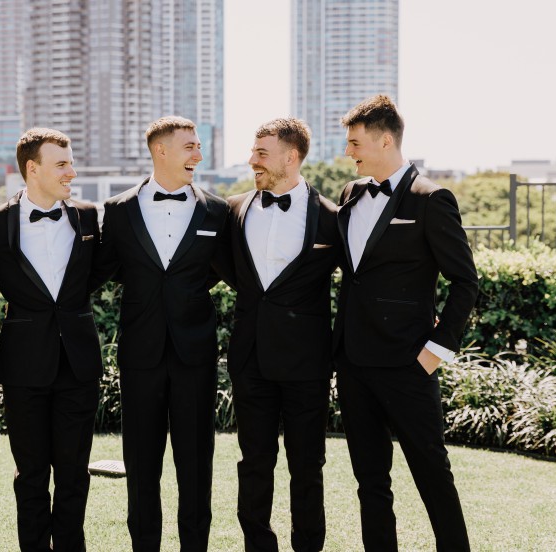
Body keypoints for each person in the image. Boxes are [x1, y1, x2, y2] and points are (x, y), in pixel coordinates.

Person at [333, 95, 478, 551]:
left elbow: (465, 283)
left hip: (408, 365)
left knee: (432, 473)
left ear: (385, 139)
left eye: (355, 143)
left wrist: (435, 351)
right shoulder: (349, 195)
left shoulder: (432, 199)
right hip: (354, 364)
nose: (348, 152)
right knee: (369, 480)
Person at [94, 116, 231, 551]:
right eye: (190, 146)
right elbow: (104, 271)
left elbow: (218, 271)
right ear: (161, 151)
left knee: (196, 467)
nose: (199, 154)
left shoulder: (218, 211)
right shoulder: (117, 211)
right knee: (141, 465)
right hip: (140, 356)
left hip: (195, 356)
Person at [0, 128, 104, 552]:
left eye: (70, 162)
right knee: (30, 474)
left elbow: (98, 273)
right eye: (62, 164)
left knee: (74, 474)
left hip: (79, 363)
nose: (72, 171)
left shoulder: (88, 217)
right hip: (23, 367)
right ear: (32, 169)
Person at [223, 119, 339, 551]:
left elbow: (364, 278)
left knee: (307, 466)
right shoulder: (233, 209)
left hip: (307, 363)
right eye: (253, 151)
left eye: (262, 153)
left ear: (291, 157)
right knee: (254, 462)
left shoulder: (331, 217)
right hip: (250, 358)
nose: (252, 160)